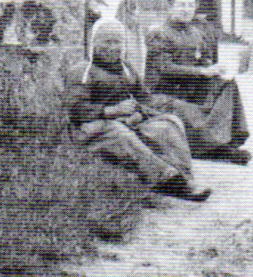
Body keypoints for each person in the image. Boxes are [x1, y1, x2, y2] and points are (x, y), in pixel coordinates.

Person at [69, 19, 211, 201]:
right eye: (107, 42)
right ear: (94, 44)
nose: (113, 47)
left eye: (117, 42)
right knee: (118, 132)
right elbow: (75, 109)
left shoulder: (126, 69)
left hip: (126, 123)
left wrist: (139, 113)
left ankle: (183, 178)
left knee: (169, 124)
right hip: (92, 129)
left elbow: (145, 98)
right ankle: (169, 179)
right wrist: (111, 111)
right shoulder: (82, 72)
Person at [146, 0, 251, 164]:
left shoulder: (196, 32)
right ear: (170, 7)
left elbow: (204, 60)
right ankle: (213, 149)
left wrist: (216, 69)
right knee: (188, 110)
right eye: (181, 5)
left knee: (227, 84)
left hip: (192, 87)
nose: (186, 10)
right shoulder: (158, 33)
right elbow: (164, 68)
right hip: (164, 91)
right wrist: (202, 71)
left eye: (190, 5)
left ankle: (228, 138)